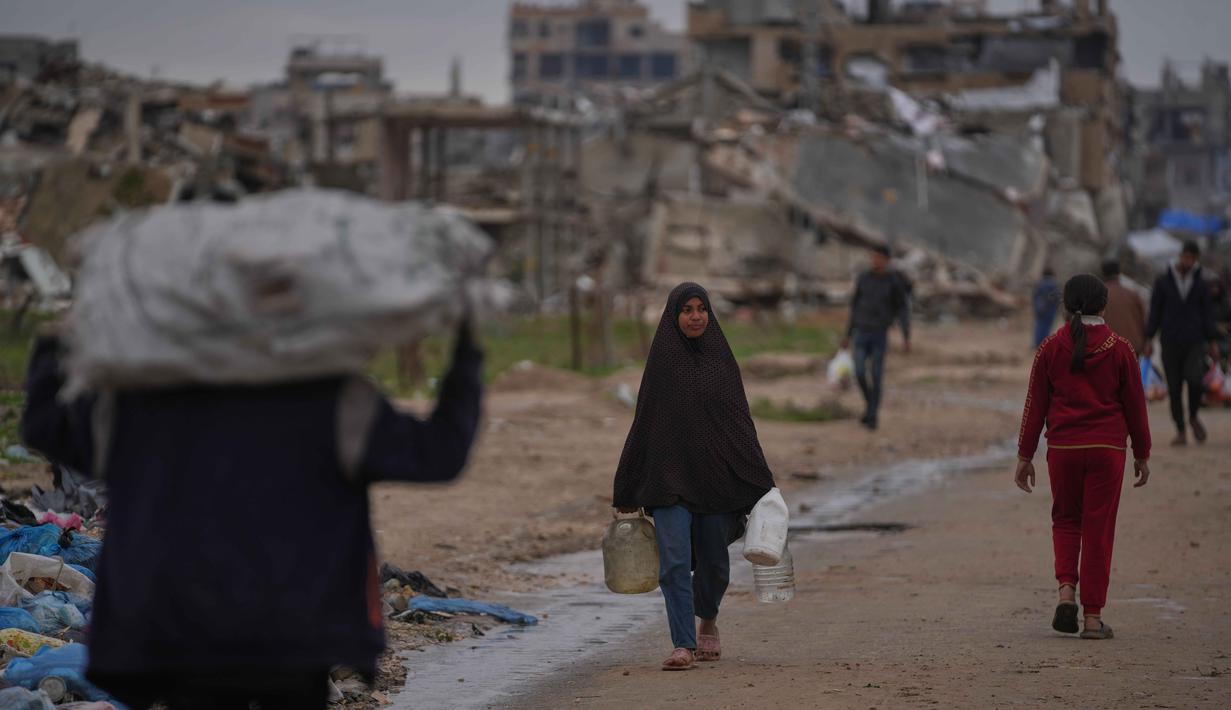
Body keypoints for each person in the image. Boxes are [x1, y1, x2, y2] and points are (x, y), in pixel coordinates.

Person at [22, 321, 484, 709]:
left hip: (179, 632)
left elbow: (46, 427)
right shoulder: (335, 400)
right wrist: (466, 354)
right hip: (296, 635)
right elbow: (440, 453)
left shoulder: (142, 399)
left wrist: (54, 342)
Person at [612, 283, 775, 672]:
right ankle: (683, 643)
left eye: (702, 308)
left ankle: (709, 621)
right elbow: (645, 424)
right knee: (673, 561)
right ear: (674, 316)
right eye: (687, 310)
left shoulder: (721, 362)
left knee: (714, 562)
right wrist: (627, 486)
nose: (696, 316)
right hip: (669, 480)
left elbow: (739, 424)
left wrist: (760, 480)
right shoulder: (662, 365)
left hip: (715, 480)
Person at [1016, 273, 1151, 640]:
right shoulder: (1120, 348)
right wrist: (1142, 453)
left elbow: (1034, 406)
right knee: (1098, 530)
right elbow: (1136, 408)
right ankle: (1092, 619)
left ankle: (1066, 592)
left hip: (1063, 450)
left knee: (1065, 520)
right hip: (1108, 451)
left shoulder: (1049, 347)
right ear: (1103, 306)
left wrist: (1025, 455)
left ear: (1066, 305)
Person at [1144, 240, 1219, 445]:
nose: (1189, 261)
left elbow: (1207, 314)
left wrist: (1212, 340)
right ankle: (1180, 429)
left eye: (1193, 258)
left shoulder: (1200, 283)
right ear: (1181, 256)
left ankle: (1193, 415)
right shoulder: (1163, 282)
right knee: (1175, 387)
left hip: (1195, 341)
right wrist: (1149, 338)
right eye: (1187, 257)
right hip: (1170, 341)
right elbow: (1155, 312)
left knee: (1195, 380)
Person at [841, 245, 911, 430]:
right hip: (861, 332)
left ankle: (872, 416)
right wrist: (847, 334)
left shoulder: (893, 281)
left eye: (879, 258)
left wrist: (906, 335)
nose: (875, 261)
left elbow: (902, 308)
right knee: (859, 372)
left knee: (876, 374)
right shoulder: (864, 279)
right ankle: (870, 406)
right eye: (873, 257)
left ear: (886, 260)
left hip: (879, 333)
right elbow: (855, 307)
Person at [1100, 259, 1148, 354]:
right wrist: (1145, 343)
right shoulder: (1132, 294)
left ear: (1103, 273)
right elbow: (1144, 320)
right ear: (1119, 273)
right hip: (1132, 346)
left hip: (1108, 347)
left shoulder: (1099, 295)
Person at [1032, 267, 1061, 349]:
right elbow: (1056, 298)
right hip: (1050, 310)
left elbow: (1034, 296)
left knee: (1039, 326)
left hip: (1039, 308)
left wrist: (1036, 307)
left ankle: (1036, 343)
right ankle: (1043, 344)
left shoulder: (1039, 284)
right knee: (1047, 327)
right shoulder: (1054, 284)